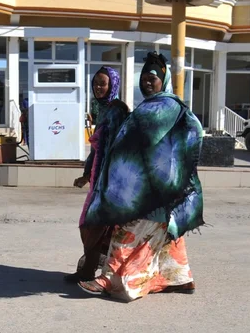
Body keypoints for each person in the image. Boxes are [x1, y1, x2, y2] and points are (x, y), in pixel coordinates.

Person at [78, 52, 205, 302]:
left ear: (163, 81)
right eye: (144, 77)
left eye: (153, 78)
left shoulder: (168, 106)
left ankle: (110, 279)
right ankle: (179, 278)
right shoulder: (151, 105)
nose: (147, 82)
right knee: (165, 233)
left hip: (150, 190)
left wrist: (172, 168)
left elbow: (195, 132)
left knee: (126, 230)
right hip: (153, 188)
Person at [65, 66, 130, 283]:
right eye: (95, 84)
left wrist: (113, 180)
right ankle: (90, 270)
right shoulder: (101, 108)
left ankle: (100, 273)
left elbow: (120, 147)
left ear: (113, 84)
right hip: (97, 177)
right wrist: (86, 175)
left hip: (111, 180)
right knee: (93, 225)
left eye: (102, 83)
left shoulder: (118, 109)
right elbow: (96, 149)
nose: (98, 88)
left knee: (96, 225)